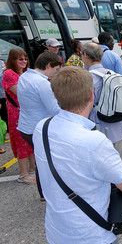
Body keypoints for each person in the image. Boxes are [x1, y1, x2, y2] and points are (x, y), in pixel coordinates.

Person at [33, 66, 122, 244]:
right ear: (91, 96)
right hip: (92, 235)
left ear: (56, 97)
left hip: (56, 232)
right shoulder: (95, 141)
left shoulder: (42, 128)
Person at [17, 51, 62, 199]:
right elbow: (54, 110)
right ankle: (47, 193)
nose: (55, 73)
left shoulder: (25, 76)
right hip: (39, 127)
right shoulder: (42, 83)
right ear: (48, 65)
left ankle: (44, 193)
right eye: (56, 69)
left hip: (26, 126)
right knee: (47, 162)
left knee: (41, 159)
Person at [81, 43, 122, 171]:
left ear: (85, 55)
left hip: (101, 130)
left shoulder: (88, 79)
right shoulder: (113, 74)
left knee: (105, 169)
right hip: (120, 127)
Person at [2, 49, 35, 184]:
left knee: (31, 140)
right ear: (13, 60)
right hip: (17, 112)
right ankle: (23, 174)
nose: (24, 62)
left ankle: (32, 168)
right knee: (21, 141)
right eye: (20, 59)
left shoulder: (25, 72)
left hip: (27, 111)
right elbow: (21, 93)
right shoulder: (9, 73)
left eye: (25, 59)